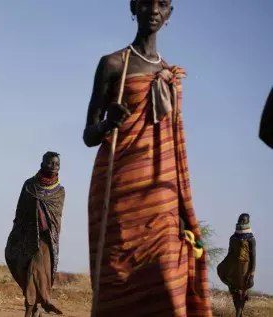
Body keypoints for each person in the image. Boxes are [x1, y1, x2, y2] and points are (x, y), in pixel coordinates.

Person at [82, 0, 212, 316]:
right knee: (118, 275)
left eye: (162, 3)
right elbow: (88, 135)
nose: (153, 9)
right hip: (119, 187)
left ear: (169, 14)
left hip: (162, 191)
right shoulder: (113, 64)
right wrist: (108, 122)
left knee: (167, 277)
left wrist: (182, 205)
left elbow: (174, 143)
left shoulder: (169, 74)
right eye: (146, 2)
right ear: (134, 8)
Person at [5, 151, 65, 317]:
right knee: (26, 270)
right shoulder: (29, 185)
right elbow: (20, 210)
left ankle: (31, 308)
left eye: (57, 164)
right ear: (41, 164)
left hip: (45, 239)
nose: (53, 167)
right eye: (50, 163)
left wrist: (42, 207)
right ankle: (40, 305)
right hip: (27, 235)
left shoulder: (60, 191)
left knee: (35, 269)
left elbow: (56, 216)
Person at [217, 214, 256, 317]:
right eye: (240, 220)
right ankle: (239, 313)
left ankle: (238, 314)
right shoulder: (233, 238)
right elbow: (230, 252)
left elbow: (253, 258)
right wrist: (224, 264)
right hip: (233, 264)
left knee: (241, 291)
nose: (241, 222)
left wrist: (251, 275)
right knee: (234, 290)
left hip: (245, 267)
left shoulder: (251, 239)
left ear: (248, 222)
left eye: (244, 220)